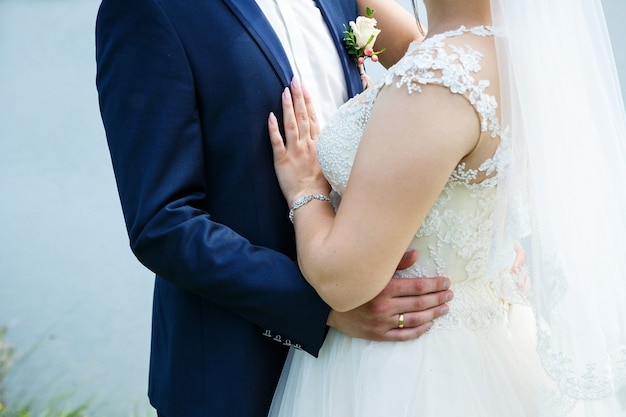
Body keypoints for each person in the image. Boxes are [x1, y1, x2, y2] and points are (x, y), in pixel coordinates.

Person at [94, 0, 455, 416]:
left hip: (364, 375)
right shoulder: (148, 9)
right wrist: (321, 309)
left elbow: (447, 86)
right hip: (237, 377)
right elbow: (162, 223)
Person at [266, 0, 626, 415]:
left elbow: (342, 280)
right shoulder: (513, 61)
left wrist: (306, 190)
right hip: (490, 339)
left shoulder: (436, 80)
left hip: (404, 367)